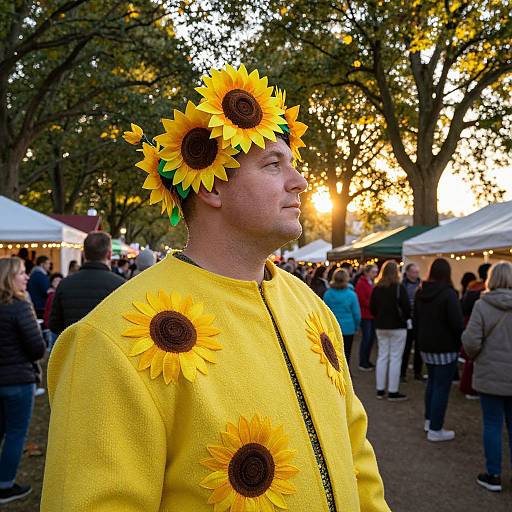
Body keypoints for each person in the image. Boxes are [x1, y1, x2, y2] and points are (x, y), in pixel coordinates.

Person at [42, 65, 390, 511]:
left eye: (293, 164)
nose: (299, 181)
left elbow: (356, 452)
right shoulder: (110, 341)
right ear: (212, 187)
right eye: (272, 164)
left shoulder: (310, 306)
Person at [462, 261, 512, 492]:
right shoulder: (482, 304)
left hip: (490, 373)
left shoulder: (483, 305)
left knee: (492, 424)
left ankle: (493, 475)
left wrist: (476, 355)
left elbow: (470, 341)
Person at [0, 257, 46, 504]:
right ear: (9, 278)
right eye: (21, 273)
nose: (26, 277)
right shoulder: (19, 306)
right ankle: (5, 485)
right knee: (16, 433)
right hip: (18, 380)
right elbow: (37, 348)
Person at [414, 258, 464, 442]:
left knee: (432, 384)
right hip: (445, 347)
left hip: (426, 345)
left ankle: (429, 421)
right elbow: (457, 323)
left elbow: (416, 319)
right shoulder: (449, 294)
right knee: (441, 388)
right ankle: (435, 428)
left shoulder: (421, 291)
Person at [48, 232, 125, 336]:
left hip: (73, 348)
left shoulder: (65, 284)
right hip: (104, 349)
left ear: (83, 254)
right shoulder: (120, 285)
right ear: (109, 254)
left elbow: (54, 325)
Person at [370, 260, 410, 401]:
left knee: (382, 357)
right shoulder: (399, 287)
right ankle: (393, 391)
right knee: (395, 358)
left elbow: (372, 308)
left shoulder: (377, 288)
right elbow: (406, 308)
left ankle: (380, 390)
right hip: (398, 326)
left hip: (381, 326)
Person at [460, 264, 491, 399]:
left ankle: (468, 387)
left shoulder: (471, 289)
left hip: (471, 326)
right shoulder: (483, 294)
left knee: (471, 361)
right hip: (482, 330)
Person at [324, 268, 361, 365]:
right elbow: (356, 314)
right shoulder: (351, 295)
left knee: (334, 354)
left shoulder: (328, 294)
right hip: (348, 328)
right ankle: (345, 375)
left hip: (333, 327)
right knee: (346, 353)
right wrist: (357, 327)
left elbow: (324, 313)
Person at [400, 263, 423, 381]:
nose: (416, 274)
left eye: (417, 272)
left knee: (419, 347)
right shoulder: (402, 285)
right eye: (414, 272)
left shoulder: (422, 285)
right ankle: (402, 373)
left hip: (419, 320)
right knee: (406, 347)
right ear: (407, 272)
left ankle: (417, 372)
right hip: (407, 320)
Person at [355, 263, 378, 371]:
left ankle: (367, 360)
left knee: (370, 339)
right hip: (365, 315)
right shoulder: (361, 283)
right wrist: (374, 304)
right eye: (373, 272)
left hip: (371, 315)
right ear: (367, 272)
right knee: (366, 338)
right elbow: (362, 300)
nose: (375, 274)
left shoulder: (371, 282)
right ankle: (363, 362)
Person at [42, 273, 63, 351]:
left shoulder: (61, 294)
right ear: (51, 283)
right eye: (55, 281)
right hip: (51, 326)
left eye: (59, 281)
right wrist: (47, 323)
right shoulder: (51, 295)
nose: (57, 283)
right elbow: (47, 311)